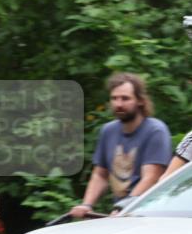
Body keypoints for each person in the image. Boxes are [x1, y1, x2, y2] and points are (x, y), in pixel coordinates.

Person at [70, 73, 172, 217]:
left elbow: (151, 178)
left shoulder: (155, 130)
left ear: (140, 101)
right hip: (121, 213)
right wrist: (87, 205)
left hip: (150, 213)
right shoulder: (108, 131)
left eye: (125, 98)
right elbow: (100, 174)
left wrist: (123, 208)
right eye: (114, 98)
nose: (119, 104)